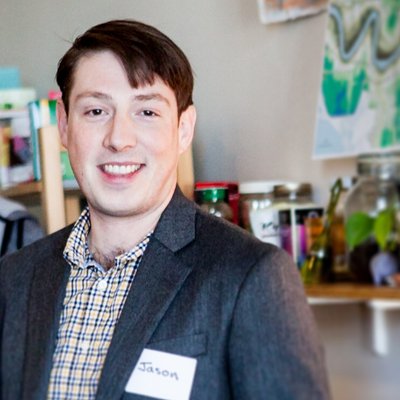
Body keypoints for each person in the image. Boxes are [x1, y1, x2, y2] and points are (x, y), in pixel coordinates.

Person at [0, 20, 330, 400]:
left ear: (183, 129)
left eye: (147, 112)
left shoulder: (251, 276)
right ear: (64, 124)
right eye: (96, 111)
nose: (119, 139)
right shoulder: (14, 279)